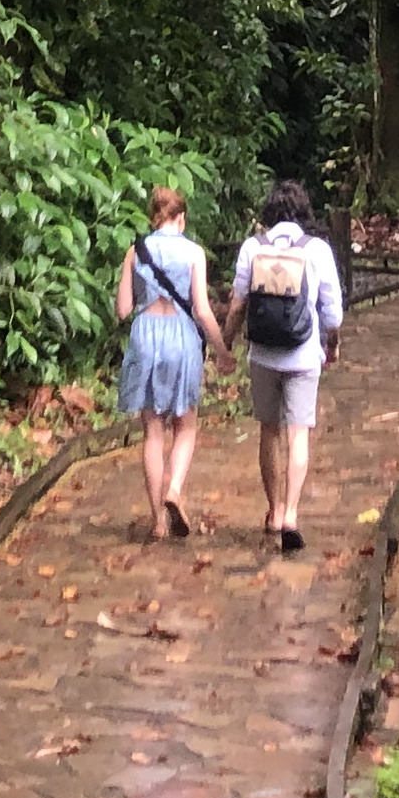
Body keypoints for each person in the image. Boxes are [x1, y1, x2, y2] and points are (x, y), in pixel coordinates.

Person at [224, 177, 345, 556]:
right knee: (298, 435)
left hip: (262, 354)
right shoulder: (318, 250)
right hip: (304, 354)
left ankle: (274, 512)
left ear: (269, 212)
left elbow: (238, 303)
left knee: (269, 432)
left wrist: (225, 342)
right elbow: (334, 313)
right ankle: (292, 514)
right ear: (304, 213)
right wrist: (332, 345)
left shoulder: (252, 248)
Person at [115, 184, 224, 540]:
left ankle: (158, 522)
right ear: (181, 218)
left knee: (152, 431)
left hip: (146, 334)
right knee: (186, 425)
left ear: (154, 216)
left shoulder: (136, 251)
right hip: (181, 337)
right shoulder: (194, 253)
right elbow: (203, 311)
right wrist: (223, 350)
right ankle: (174, 489)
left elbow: (122, 310)